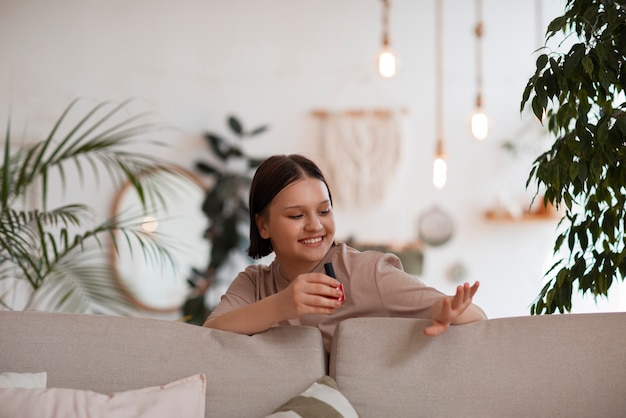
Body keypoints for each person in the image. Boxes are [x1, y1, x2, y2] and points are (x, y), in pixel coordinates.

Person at [203, 154, 486, 352]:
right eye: (296, 215)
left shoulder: (366, 273)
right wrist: (283, 305)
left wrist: (444, 312)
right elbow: (211, 333)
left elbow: (474, 316)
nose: (315, 225)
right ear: (263, 225)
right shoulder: (254, 283)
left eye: (324, 211)